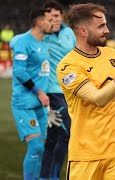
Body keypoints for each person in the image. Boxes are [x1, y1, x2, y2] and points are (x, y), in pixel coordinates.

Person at [56, 3, 115, 179]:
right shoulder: (68, 67)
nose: (107, 30)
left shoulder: (111, 54)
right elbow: (98, 98)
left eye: (105, 24)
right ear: (83, 31)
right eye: (101, 26)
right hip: (85, 155)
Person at [10, 7, 53, 180]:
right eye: (50, 20)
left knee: (41, 149)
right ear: (40, 22)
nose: (53, 23)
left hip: (40, 106)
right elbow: (19, 72)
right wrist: (39, 92)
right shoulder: (23, 42)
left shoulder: (43, 43)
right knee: (35, 147)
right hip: (25, 103)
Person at [40, 1, 76, 180]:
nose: (53, 20)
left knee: (54, 137)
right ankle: (53, 176)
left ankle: (44, 176)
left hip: (70, 91)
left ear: (62, 17)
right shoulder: (40, 36)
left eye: (56, 16)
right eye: (50, 16)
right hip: (52, 92)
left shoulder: (69, 33)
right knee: (66, 132)